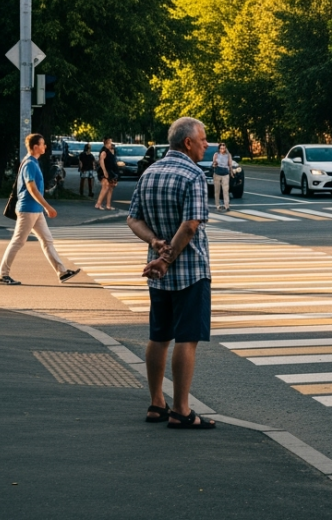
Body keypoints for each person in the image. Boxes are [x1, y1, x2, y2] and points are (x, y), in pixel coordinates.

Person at [127, 117, 217, 430]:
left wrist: (154, 243)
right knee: (187, 338)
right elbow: (191, 225)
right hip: (189, 271)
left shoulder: (150, 171)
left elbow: (132, 219)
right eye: (203, 139)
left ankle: (156, 403)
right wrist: (167, 259)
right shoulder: (193, 175)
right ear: (188, 142)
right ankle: (181, 409)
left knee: (159, 336)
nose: (207, 144)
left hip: (157, 275)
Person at [0, 134, 81, 286]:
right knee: (18, 242)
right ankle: (2, 275)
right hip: (28, 209)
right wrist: (48, 206)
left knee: (47, 240)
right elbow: (31, 187)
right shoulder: (29, 163)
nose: (45, 147)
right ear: (36, 147)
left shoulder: (33, 162)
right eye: (43, 144)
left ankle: (62, 272)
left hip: (35, 210)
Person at [96, 138, 119, 210]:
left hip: (112, 171)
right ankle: (98, 204)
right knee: (105, 187)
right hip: (105, 171)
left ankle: (108, 205)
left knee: (110, 188)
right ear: (106, 143)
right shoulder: (104, 151)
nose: (111, 144)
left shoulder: (112, 150)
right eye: (110, 143)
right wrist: (104, 172)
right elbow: (101, 162)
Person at [211, 143, 234, 212]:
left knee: (225, 190)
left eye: (224, 148)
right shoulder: (216, 154)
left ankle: (227, 205)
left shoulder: (228, 155)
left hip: (225, 174)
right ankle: (217, 205)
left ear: (225, 148)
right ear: (219, 149)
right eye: (221, 148)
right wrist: (215, 164)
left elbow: (230, 165)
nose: (222, 150)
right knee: (217, 190)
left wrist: (231, 172)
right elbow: (213, 164)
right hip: (217, 173)